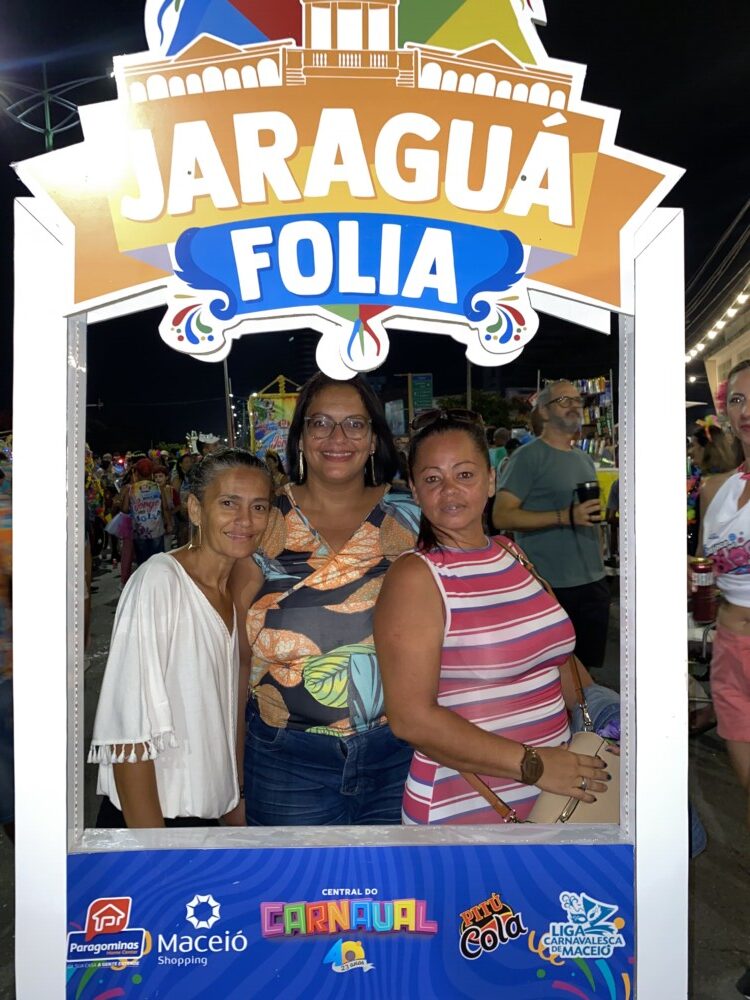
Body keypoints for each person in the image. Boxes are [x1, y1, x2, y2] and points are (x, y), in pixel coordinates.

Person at [373, 411, 610, 824]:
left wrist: (609, 716)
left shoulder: (511, 553)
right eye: (432, 479)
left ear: (491, 480)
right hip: (465, 804)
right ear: (414, 489)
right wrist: (534, 765)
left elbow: (556, 659)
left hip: (557, 793)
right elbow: (411, 719)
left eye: (464, 474)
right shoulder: (416, 576)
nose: (449, 490)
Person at [230, 372, 421, 826]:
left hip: (400, 754)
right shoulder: (262, 521)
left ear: (373, 439)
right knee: (293, 876)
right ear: (300, 437)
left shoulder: (411, 518)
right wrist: (231, 780)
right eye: (321, 423)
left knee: (394, 875)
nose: (338, 437)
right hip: (284, 762)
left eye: (355, 424)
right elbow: (233, 655)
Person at [89, 449, 272, 828]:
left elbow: (225, 712)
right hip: (152, 821)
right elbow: (128, 735)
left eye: (258, 507)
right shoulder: (160, 581)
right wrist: (155, 852)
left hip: (204, 818)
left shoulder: (233, 591)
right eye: (228, 503)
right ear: (195, 510)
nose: (245, 520)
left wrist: (233, 797)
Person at [494, 380, 610, 670]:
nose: (574, 406)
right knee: (554, 672)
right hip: (551, 585)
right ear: (544, 412)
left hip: (592, 582)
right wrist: (564, 516)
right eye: (564, 400)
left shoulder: (583, 458)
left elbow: (589, 516)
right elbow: (502, 516)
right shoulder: (527, 457)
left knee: (587, 674)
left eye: (577, 400)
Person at [122, 457, 172, 567]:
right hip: (156, 530)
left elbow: (125, 509)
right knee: (158, 561)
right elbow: (165, 508)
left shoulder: (132, 489)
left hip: (139, 531)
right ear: (152, 473)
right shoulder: (158, 487)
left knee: (143, 562)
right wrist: (168, 524)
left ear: (137, 473)